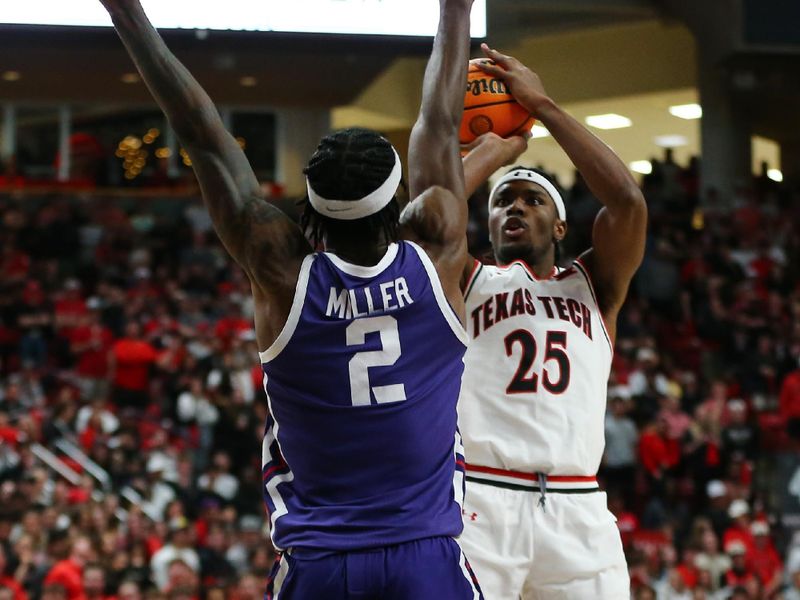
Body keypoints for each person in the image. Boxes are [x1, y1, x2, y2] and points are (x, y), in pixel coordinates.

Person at [99, 0, 481, 597]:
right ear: (396, 199)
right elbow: (438, 121)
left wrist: (126, 14)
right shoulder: (437, 249)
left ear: (311, 207)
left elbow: (199, 132)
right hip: (426, 553)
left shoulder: (280, 272)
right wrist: (455, 10)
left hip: (322, 558)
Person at [457, 44, 648, 598]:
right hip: (481, 500)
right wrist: (494, 151)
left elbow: (628, 203)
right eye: (502, 202)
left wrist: (543, 107)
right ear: (486, 222)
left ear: (561, 227)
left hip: (575, 504)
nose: (514, 208)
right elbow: (425, 217)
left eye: (531, 201)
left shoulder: (596, 285)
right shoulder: (464, 278)